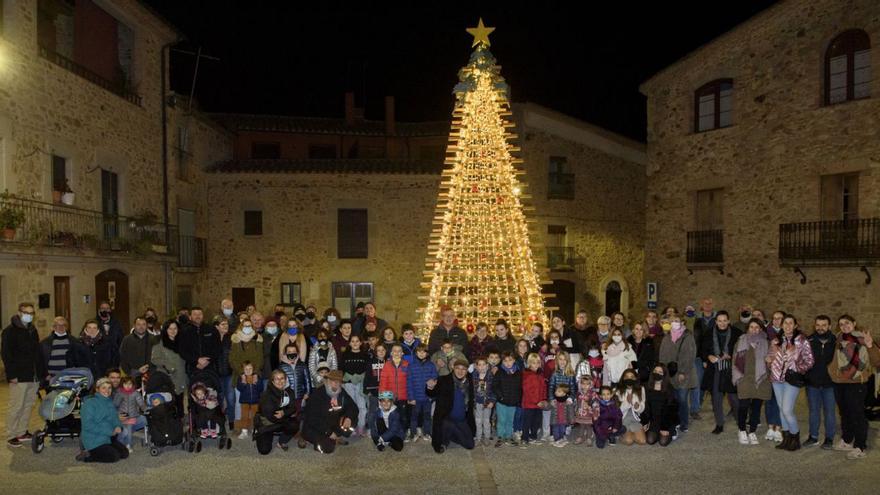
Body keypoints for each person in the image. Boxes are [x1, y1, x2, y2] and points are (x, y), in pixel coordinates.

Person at [829, 314, 880, 459]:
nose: (844, 326)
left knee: (857, 414)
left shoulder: (864, 339)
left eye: (847, 323)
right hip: (840, 382)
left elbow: (877, 362)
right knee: (844, 413)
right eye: (841, 324)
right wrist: (832, 374)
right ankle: (846, 440)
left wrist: (870, 346)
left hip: (857, 382)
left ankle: (860, 446)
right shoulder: (838, 339)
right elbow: (833, 360)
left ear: (854, 323)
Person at [768, 314, 814, 451]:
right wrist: (769, 360)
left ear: (795, 325)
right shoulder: (777, 340)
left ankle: (795, 437)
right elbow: (770, 355)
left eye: (790, 323)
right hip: (777, 378)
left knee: (787, 409)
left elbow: (810, 361)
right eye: (785, 323)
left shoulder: (802, 341)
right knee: (782, 409)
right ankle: (786, 438)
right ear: (781, 325)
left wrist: (797, 366)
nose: (787, 325)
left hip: (792, 378)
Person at [2, 303, 44, 447]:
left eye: (32, 313)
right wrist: (11, 374)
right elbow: (6, 355)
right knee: (16, 405)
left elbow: (37, 353)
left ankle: (22, 431)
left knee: (28, 404)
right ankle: (12, 434)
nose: (29, 315)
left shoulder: (32, 330)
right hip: (19, 375)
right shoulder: (10, 331)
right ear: (19, 312)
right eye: (26, 312)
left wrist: (41, 373)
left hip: (33, 375)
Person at [700, 310, 741, 434]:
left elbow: (743, 350)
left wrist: (733, 356)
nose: (722, 323)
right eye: (719, 321)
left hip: (731, 368)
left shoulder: (737, 333)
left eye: (724, 321)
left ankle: (740, 421)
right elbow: (702, 350)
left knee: (733, 397)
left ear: (728, 321)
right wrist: (708, 356)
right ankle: (719, 423)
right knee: (716, 397)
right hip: (715, 369)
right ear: (716, 321)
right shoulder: (708, 333)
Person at [732, 318, 771, 446]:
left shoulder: (766, 343)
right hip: (745, 378)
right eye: (751, 327)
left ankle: (752, 431)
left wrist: (769, 361)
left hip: (761, 379)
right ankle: (742, 430)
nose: (754, 330)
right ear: (747, 328)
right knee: (743, 406)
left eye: (757, 327)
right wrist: (737, 377)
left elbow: (771, 362)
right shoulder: (741, 341)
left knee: (756, 407)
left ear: (760, 329)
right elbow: (735, 360)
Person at [301, 370, 358, 454]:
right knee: (327, 448)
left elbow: (353, 407)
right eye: (332, 381)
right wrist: (329, 432)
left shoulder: (342, 392)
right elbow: (312, 419)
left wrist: (349, 418)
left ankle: (336, 436)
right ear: (327, 381)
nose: (335, 383)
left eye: (338, 381)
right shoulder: (317, 394)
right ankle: (305, 437)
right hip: (316, 427)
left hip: (332, 423)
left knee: (353, 419)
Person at [658, 316, 697, 433]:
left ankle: (684, 422)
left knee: (682, 399)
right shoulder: (666, 338)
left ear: (681, 322)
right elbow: (662, 355)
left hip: (683, 374)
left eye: (676, 321)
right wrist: (663, 371)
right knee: (672, 399)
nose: (674, 323)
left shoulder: (688, 337)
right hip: (669, 374)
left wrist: (682, 372)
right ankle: (675, 421)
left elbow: (689, 355)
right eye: (671, 322)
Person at [426, 359, 475, 453]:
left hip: (461, 419)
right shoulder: (444, 380)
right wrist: (430, 387)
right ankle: (444, 439)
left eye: (463, 369)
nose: (460, 371)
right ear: (453, 368)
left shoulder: (469, 382)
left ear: (467, 370)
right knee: (447, 425)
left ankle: (450, 433)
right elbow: (432, 393)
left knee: (470, 445)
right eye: (458, 368)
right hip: (447, 419)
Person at [804, 315, 837, 449]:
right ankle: (813, 437)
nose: (820, 328)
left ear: (829, 326)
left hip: (830, 384)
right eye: (818, 325)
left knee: (830, 412)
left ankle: (829, 438)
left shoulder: (836, 341)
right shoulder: (809, 340)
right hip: (812, 384)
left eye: (824, 325)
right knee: (813, 411)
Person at [77, 377, 128, 463]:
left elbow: (115, 418)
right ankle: (87, 455)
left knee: (124, 454)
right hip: (93, 439)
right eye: (103, 388)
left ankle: (104, 448)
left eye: (109, 388)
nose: (107, 391)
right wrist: (109, 431)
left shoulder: (109, 401)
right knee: (114, 457)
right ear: (97, 389)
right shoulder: (89, 403)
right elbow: (88, 425)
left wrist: (118, 426)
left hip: (107, 437)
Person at [255, 370, 299, 455]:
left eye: (282, 378)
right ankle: (262, 433)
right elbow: (270, 416)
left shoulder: (290, 392)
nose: (280, 381)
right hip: (267, 423)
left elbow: (293, 408)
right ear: (272, 381)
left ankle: (281, 441)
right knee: (264, 450)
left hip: (281, 420)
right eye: (277, 379)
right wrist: (285, 416)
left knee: (294, 425)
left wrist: (284, 413)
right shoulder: (266, 395)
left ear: (286, 379)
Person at [150, 320, 187, 407]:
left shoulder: (183, 342)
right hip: (166, 377)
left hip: (181, 377)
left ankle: (180, 418)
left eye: (175, 328)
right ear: (166, 330)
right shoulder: (159, 343)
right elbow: (154, 359)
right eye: (170, 329)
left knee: (180, 403)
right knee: (168, 404)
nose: (173, 331)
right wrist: (168, 366)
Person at [339, 335, 370, 436]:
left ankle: (360, 427)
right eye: (353, 341)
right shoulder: (345, 355)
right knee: (350, 407)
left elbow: (368, 370)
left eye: (357, 341)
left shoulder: (365, 355)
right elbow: (341, 369)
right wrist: (345, 377)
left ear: (361, 343)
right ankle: (351, 428)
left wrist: (361, 377)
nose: (355, 343)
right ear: (349, 343)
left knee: (362, 407)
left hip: (360, 384)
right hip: (348, 384)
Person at [691, 298, 716, 419]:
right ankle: (695, 408)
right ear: (701, 304)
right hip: (698, 356)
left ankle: (716, 406)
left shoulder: (717, 320)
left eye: (710, 303)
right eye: (705, 302)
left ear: (713, 305)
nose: (707, 304)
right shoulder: (695, 320)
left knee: (715, 382)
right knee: (698, 382)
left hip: (713, 357)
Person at [406, 344, 438, 442]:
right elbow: (409, 382)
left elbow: (435, 379)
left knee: (427, 416)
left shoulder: (431, 365)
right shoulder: (411, 366)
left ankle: (427, 433)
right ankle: (413, 433)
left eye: (423, 351)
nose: (421, 353)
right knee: (414, 416)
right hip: (416, 397)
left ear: (427, 353)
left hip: (427, 397)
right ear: (416, 353)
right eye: (419, 351)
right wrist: (411, 397)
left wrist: (432, 396)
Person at [179, 307, 221, 377]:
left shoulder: (211, 329)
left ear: (203, 316)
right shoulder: (184, 331)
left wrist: (208, 361)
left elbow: (218, 347)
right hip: (192, 368)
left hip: (210, 367)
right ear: (190, 317)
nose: (197, 316)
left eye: (200, 314)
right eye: (195, 314)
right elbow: (182, 351)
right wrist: (197, 360)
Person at [642, 364, 678, 446]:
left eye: (660, 372)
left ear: (664, 374)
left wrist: (665, 427)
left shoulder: (669, 388)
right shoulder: (646, 386)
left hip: (665, 419)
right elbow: (645, 406)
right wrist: (645, 422)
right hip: (653, 420)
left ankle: (674, 430)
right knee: (650, 440)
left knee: (663, 442)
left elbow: (671, 409)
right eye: (655, 371)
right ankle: (656, 432)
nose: (657, 373)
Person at [380, 343, 410, 433]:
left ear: (402, 353)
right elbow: (383, 381)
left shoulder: (406, 364)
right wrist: (383, 397)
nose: (397, 353)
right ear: (391, 353)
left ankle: (404, 431)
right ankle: (392, 431)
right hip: (390, 396)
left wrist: (410, 395)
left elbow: (410, 381)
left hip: (403, 396)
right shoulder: (387, 365)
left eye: (399, 351)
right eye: (395, 351)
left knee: (403, 415)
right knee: (392, 415)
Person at [493, 352, 522, 447]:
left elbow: (520, 387)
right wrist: (500, 396)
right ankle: (501, 436)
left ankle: (509, 436)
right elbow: (495, 386)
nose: (508, 363)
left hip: (513, 401)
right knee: (502, 420)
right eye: (505, 361)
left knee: (510, 420)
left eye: (510, 360)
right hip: (502, 401)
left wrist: (519, 398)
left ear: (514, 360)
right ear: (502, 361)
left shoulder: (518, 372)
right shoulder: (500, 372)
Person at [229, 318, 265, 389]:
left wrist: (255, 373)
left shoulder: (257, 339)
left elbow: (260, 358)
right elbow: (232, 359)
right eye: (245, 326)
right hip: (239, 376)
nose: (247, 328)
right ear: (241, 327)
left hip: (255, 375)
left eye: (249, 326)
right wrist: (242, 373)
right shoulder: (236, 340)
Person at [113, 376, 146, 451]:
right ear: (122, 384)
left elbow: (141, 403)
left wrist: (145, 409)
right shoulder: (120, 393)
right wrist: (117, 413)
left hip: (132, 415)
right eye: (125, 384)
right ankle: (122, 443)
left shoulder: (135, 393)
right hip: (123, 416)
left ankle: (128, 445)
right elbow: (115, 404)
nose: (127, 386)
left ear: (133, 384)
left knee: (129, 429)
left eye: (130, 384)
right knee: (127, 431)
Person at [214, 315, 235, 428]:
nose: (225, 326)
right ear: (217, 326)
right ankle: (220, 420)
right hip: (216, 373)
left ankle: (231, 420)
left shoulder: (231, 338)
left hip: (229, 372)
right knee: (219, 397)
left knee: (231, 398)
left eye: (226, 324)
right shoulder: (212, 338)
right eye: (223, 324)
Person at [520, 353, 546, 446]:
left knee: (537, 421)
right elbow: (527, 391)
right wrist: (536, 402)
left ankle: (533, 436)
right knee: (527, 422)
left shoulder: (540, 375)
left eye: (538, 363)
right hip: (529, 404)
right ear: (529, 363)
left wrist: (543, 400)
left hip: (539, 404)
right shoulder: (527, 375)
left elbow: (543, 388)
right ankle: (524, 437)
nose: (536, 365)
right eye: (533, 363)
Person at [616, 368, 646, 445]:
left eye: (632, 377)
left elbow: (642, 407)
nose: (629, 379)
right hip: (623, 418)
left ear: (636, 378)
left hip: (635, 418)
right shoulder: (618, 390)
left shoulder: (641, 389)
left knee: (642, 441)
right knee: (629, 442)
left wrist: (637, 407)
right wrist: (627, 402)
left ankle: (631, 433)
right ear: (623, 378)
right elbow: (617, 411)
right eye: (626, 377)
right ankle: (621, 434)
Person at [235, 361, 264, 440]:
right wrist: (243, 382)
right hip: (244, 401)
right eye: (246, 369)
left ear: (254, 369)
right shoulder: (241, 378)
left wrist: (256, 382)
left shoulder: (257, 377)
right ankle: (244, 431)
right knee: (244, 416)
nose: (248, 370)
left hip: (255, 401)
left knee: (256, 416)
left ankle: (256, 429)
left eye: (250, 368)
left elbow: (261, 389)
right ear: (243, 370)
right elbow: (239, 388)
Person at [364, 344, 387, 435]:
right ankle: (370, 427)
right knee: (372, 410)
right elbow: (367, 376)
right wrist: (366, 390)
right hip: (373, 390)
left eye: (383, 350)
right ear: (375, 352)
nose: (381, 352)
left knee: (384, 410)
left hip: (385, 391)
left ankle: (383, 427)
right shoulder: (371, 362)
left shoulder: (389, 362)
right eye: (378, 350)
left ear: (386, 351)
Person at [471, 356, 495, 446]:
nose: (481, 367)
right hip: (477, 402)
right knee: (478, 421)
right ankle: (478, 437)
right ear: (476, 366)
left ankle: (487, 437)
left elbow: (494, 390)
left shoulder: (491, 377)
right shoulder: (473, 376)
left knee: (486, 421)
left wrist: (492, 401)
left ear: (487, 366)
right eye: (479, 365)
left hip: (487, 403)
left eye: (483, 365)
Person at [572, 375, 599, 446]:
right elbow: (576, 402)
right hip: (581, 413)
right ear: (580, 384)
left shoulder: (592, 394)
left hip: (589, 413)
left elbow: (596, 403)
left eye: (587, 384)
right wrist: (576, 410)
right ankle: (580, 437)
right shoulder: (578, 393)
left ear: (591, 384)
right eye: (583, 384)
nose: (585, 386)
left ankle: (589, 438)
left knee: (588, 426)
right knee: (581, 426)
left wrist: (589, 406)